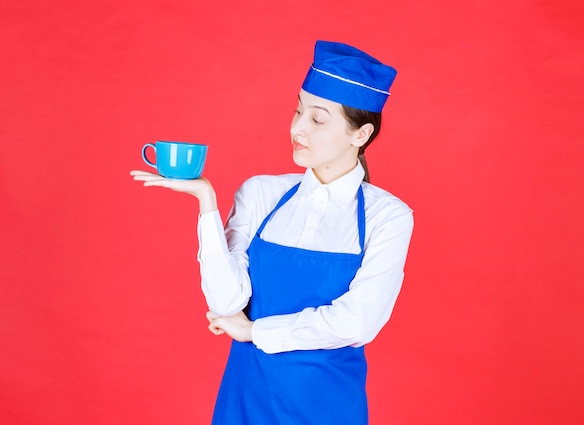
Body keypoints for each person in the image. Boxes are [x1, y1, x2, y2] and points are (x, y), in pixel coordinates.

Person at [131, 40, 413, 425]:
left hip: (328, 405)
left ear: (360, 135)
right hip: (247, 396)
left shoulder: (389, 216)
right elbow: (227, 300)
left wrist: (253, 331)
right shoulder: (262, 192)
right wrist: (206, 203)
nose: (297, 128)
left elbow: (358, 322)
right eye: (297, 110)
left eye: (317, 119)